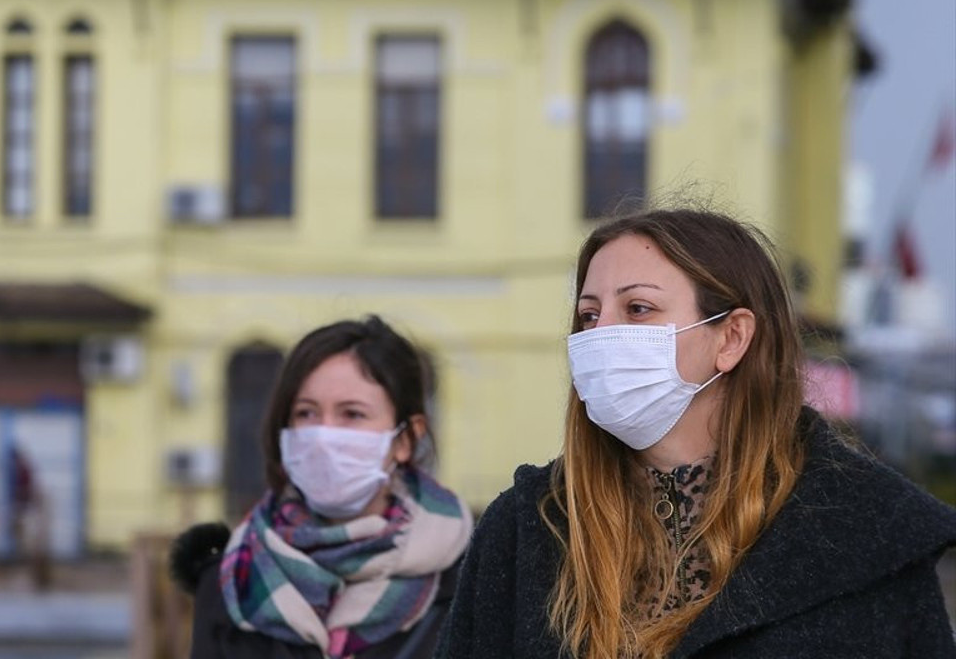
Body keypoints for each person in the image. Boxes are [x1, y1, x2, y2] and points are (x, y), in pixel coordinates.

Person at [437, 208, 956, 658]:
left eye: (637, 309)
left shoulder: (865, 532)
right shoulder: (529, 527)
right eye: (589, 315)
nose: (600, 335)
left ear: (731, 338)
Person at [171, 316, 472, 658]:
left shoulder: (468, 581)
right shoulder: (231, 580)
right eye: (306, 413)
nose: (323, 437)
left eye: (352, 414)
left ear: (405, 438)